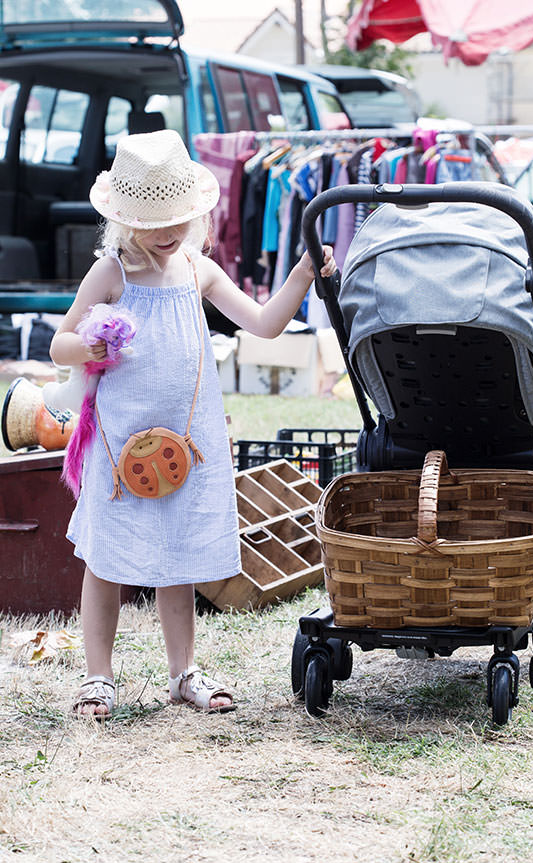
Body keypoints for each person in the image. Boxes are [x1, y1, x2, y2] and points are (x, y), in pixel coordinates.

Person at [50, 129, 337, 719]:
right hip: (121, 444)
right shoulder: (112, 275)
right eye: (154, 219)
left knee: (175, 561)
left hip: (187, 446)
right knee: (106, 562)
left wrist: (304, 273)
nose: (168, 229)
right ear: (126, 220)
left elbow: (263, 323)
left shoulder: (198, 271)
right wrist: (90, 348)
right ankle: (98, 677)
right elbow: (59, 344)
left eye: (177, 216)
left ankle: (184, 672)